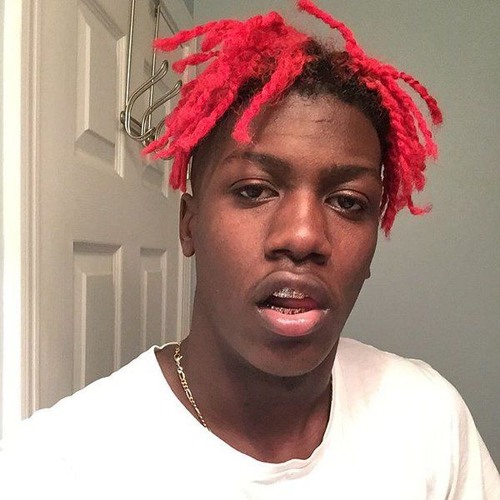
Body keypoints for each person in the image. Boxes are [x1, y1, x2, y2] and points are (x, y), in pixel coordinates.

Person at [1, 1, 499, 498]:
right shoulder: (53, 468)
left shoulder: (430, 421)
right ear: (189, 224)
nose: (303, 236)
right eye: (255, 190)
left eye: (348, 202)